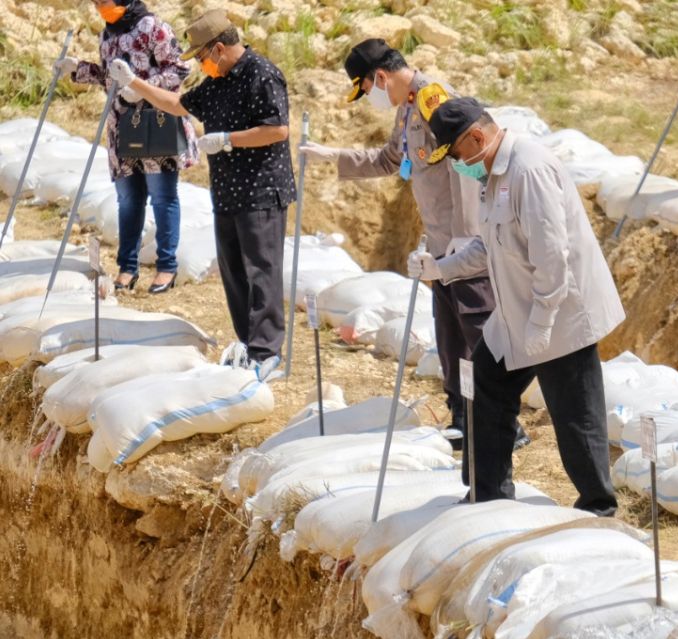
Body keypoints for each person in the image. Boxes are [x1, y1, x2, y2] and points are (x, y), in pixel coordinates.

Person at [298, 39, 526, 450]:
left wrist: (465, 246)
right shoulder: (407, 107)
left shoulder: (435, 102)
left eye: (367, 90)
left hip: (461, 248)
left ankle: (505, 423)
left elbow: (464, 172)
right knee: (450, 336)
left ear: (381, 77)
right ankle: (463, 414)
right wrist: (332, 156)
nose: (371, 99)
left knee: (479, 335)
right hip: (440, 246)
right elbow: (391, 159)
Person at [421, 98, 626, 516]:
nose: (458, 166)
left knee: (575, 416)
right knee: (483, 385)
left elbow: (554, 258)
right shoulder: (492, 174)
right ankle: (487, 494)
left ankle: (598, 508)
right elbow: (487, 245)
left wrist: (542, 323)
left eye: (458, 156)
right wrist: (440, 269)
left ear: (478, 137)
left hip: (562, 313)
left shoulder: (529, 171)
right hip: (517, 312)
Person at [109, 9, 295, 378]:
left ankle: (267, 352)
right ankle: (248, 344)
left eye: (204, 57)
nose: (203, 65)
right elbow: (179, 104)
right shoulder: (220, 80)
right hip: (227, 190)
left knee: (262, 270)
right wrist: (136, 84)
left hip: (260, 188)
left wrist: (229, 141)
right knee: (234, 271)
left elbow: (278, 130)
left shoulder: (262, 74)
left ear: (221, 49)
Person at [56, 0, 197, 294]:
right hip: (122, 126)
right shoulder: (108, 33)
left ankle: (166, 267)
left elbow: (180, 69)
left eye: (103, 2)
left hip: (155, 122)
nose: (99, 7)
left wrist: (140, 85)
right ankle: (127, 267)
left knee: (162, 196)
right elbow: (110, 77)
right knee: (128, 199)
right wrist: (78, 69)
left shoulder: (153, 28)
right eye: (95, 3)